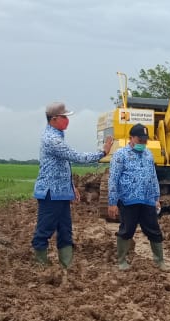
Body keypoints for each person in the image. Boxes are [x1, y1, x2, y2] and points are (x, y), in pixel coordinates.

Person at [33, 101, 114, 268]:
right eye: (64, 117)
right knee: (45, 230)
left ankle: (66, 265)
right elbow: (75, 156)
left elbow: (63, 166)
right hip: (50, 192)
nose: (67, 120)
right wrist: (102, 152)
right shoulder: (52, 139)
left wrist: (70, 187)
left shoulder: (57, 136)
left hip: (61, 192)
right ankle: (41, 265)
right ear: (54, 119)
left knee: (65, 230)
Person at [107, 123, 170, 272]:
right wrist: (112, 201)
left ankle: (159, 261)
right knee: (127, 230)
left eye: (145, 140)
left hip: (147, 199)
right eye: (140, 140)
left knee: (154, 230)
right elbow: (113, 179)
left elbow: (153, 176)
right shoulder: (120, 155)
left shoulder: (148, 154)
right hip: (128, 199)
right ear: (131, 138)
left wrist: (156, 197)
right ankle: (122, 260)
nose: (142, 143)